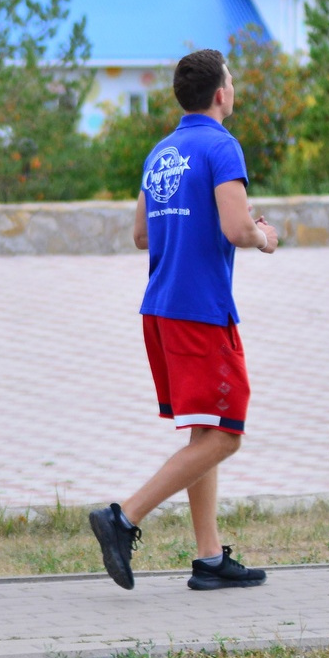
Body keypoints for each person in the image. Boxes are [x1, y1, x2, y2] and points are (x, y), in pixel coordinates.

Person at [88, 49, 278, 592]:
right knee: (227, 435)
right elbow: (239, 228)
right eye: (232, 81)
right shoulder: (221, 146)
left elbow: (142, 235)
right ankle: (124, 518)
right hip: (201, 311)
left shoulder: (162, 152)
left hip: (161, 307)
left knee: (205, 427)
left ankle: (210, 557)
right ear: (221, 93)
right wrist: (265, 237)